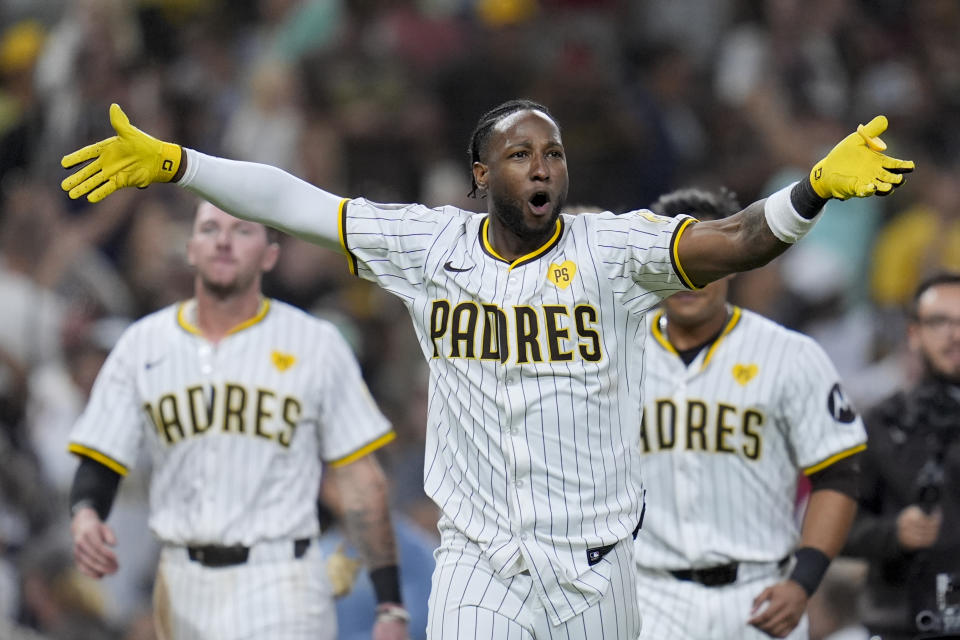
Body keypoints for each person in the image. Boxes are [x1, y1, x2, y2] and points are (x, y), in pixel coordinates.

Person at [60, 99, 913, 638]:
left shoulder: (615, 249)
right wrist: (182, 164)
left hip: (596, 563)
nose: (542, 166)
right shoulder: (428, 246)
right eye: (521, 154)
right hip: (481, 557)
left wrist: (812, 191)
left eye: (553, 153)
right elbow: (299, 204)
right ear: (481, 176)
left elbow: (736, 242)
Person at [66, 201, 410, 640]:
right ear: (190, 249)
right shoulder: (141, 345)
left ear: (270, 254)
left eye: (242, 230)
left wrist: (390, 602)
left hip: (283, 576)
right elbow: (101, 453)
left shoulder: (315, 343)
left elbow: (362, 479)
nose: (224, 241)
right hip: (180, 578)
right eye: (210, 229)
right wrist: (86, 513)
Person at [632, 187, 866, 639]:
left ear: (733, 262)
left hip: (760, 594)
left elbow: (839, 474)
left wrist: (803, 583)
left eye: (705, 263)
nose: (691, 279)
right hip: (650, 597)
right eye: (677, 265)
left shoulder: (790, 354)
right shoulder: (612, 355)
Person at [843, 272, 960, 640]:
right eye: (940, 321)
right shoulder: (881, 422)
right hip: (899, 619)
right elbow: (837, 527)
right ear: (913, 334)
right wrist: (894, 533)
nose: (954, 335)